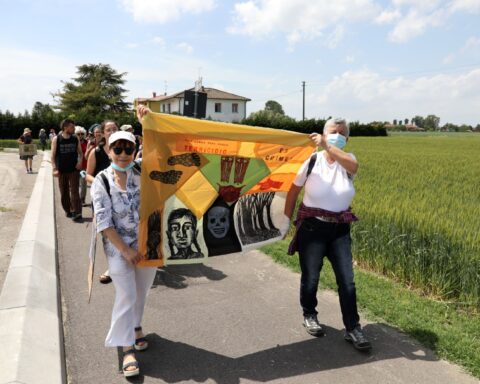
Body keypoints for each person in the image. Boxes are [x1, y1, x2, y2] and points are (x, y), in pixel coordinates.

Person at [284, 117, 371, 351]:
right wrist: (285, 221)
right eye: (333, 131)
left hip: (340, 229)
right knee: (311, 276)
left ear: (348, 139)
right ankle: (309, 314)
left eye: (342, 133)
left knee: (348, 282)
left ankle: (353, 328)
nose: (337, 135)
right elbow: (293, 192)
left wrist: (326, 144)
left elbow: (353, 167)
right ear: (323, 133)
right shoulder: (312, 160)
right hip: (312, 227)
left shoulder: (348, 161)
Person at [90, 127, 156, 378]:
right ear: (108, 150)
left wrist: (146, 120)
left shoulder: (143, 171)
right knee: (126, 294)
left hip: (147, 246)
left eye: (128, 148)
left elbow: (161, 150)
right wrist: (125, 250)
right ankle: (127, 347)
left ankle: (136, 325)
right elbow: (103, 222)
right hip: (119, 250)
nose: (123, 154)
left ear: (135, 150)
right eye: (117, 148)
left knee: (141, 291)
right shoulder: (102, 180)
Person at [86, 120, 118, 284]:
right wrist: (103, 182)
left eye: (114, 129)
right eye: (108, 129)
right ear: (103, 133)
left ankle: (123, 263)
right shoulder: (96, 152)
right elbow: (88, 175)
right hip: (102, 200)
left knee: (123, 232)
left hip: (122, 200)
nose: (112, 131)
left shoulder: (124, 149)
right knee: (107, 234)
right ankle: (111, 268)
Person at [51, 119, 83, 222]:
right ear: (65, 128)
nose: (74, 129)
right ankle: (68, 210)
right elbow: (52, 155)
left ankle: (77, 212)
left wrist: (79, 162)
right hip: (61, 170)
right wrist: (54, 168)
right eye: (72, 127)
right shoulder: (57, 139)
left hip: (74, 169)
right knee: (64, 192)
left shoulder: (75, 138)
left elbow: (80, 153)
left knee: (74, 191)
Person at [75, 126, 88, 205]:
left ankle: (82, 199)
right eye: (78, 134)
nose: (80, 135)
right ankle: (75, 200)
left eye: (82, 134)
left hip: (84, 167)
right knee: (75, 184)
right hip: (75, 167)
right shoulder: (73, 142)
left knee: (83, 184)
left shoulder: (87, 142)